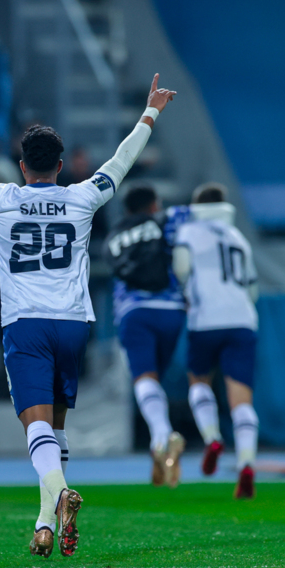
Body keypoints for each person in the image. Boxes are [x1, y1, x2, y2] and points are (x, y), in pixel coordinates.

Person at [0, 73, 176, 558]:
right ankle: (45, 523)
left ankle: (62, 494)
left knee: (37, 428)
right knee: (57, 429)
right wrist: (150, 112)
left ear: (23, 166)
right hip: (73, 324)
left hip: (26, 324)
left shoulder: (2, 199)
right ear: (62, 165)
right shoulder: (83, 197)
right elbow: (122, 161)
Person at [173, 183, 260, 499]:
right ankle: (246, 462)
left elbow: (181, 270)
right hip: (242, 320)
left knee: (198, 382)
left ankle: (212, 437)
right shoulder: (238, 238)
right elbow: (252, 290)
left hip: (206, 319)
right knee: (242, 400)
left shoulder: (189, 233)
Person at [106, 184, 188, 487]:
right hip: (171, 310)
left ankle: (162, 439)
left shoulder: (114, 236)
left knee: (144, 378)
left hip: (133, 310)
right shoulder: (166, 220)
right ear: (154, 205)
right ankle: (160, 449)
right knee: (157, 381)